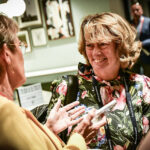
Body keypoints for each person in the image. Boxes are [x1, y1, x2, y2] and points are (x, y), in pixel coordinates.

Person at [36, 12, 150, 150]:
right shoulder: (67, 87)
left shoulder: (143, 86)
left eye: (102, 44)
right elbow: (48, 143)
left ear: (120, 46)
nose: (95, 53)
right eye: (89, 45)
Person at [0, 13, 106, 150]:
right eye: (20, 44)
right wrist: (79, 138)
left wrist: (48, 130)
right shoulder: (5, 111)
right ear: (6, 54)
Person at [131, 2, 150, 77]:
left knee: (148, 77)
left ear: (141, 11)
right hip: (134, 56)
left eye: (137, 10)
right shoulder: (130, 23)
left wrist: (141, 43)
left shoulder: (148, 21)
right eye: (133, 11)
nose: (135, 12)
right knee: (134, 77)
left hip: (147, 55)